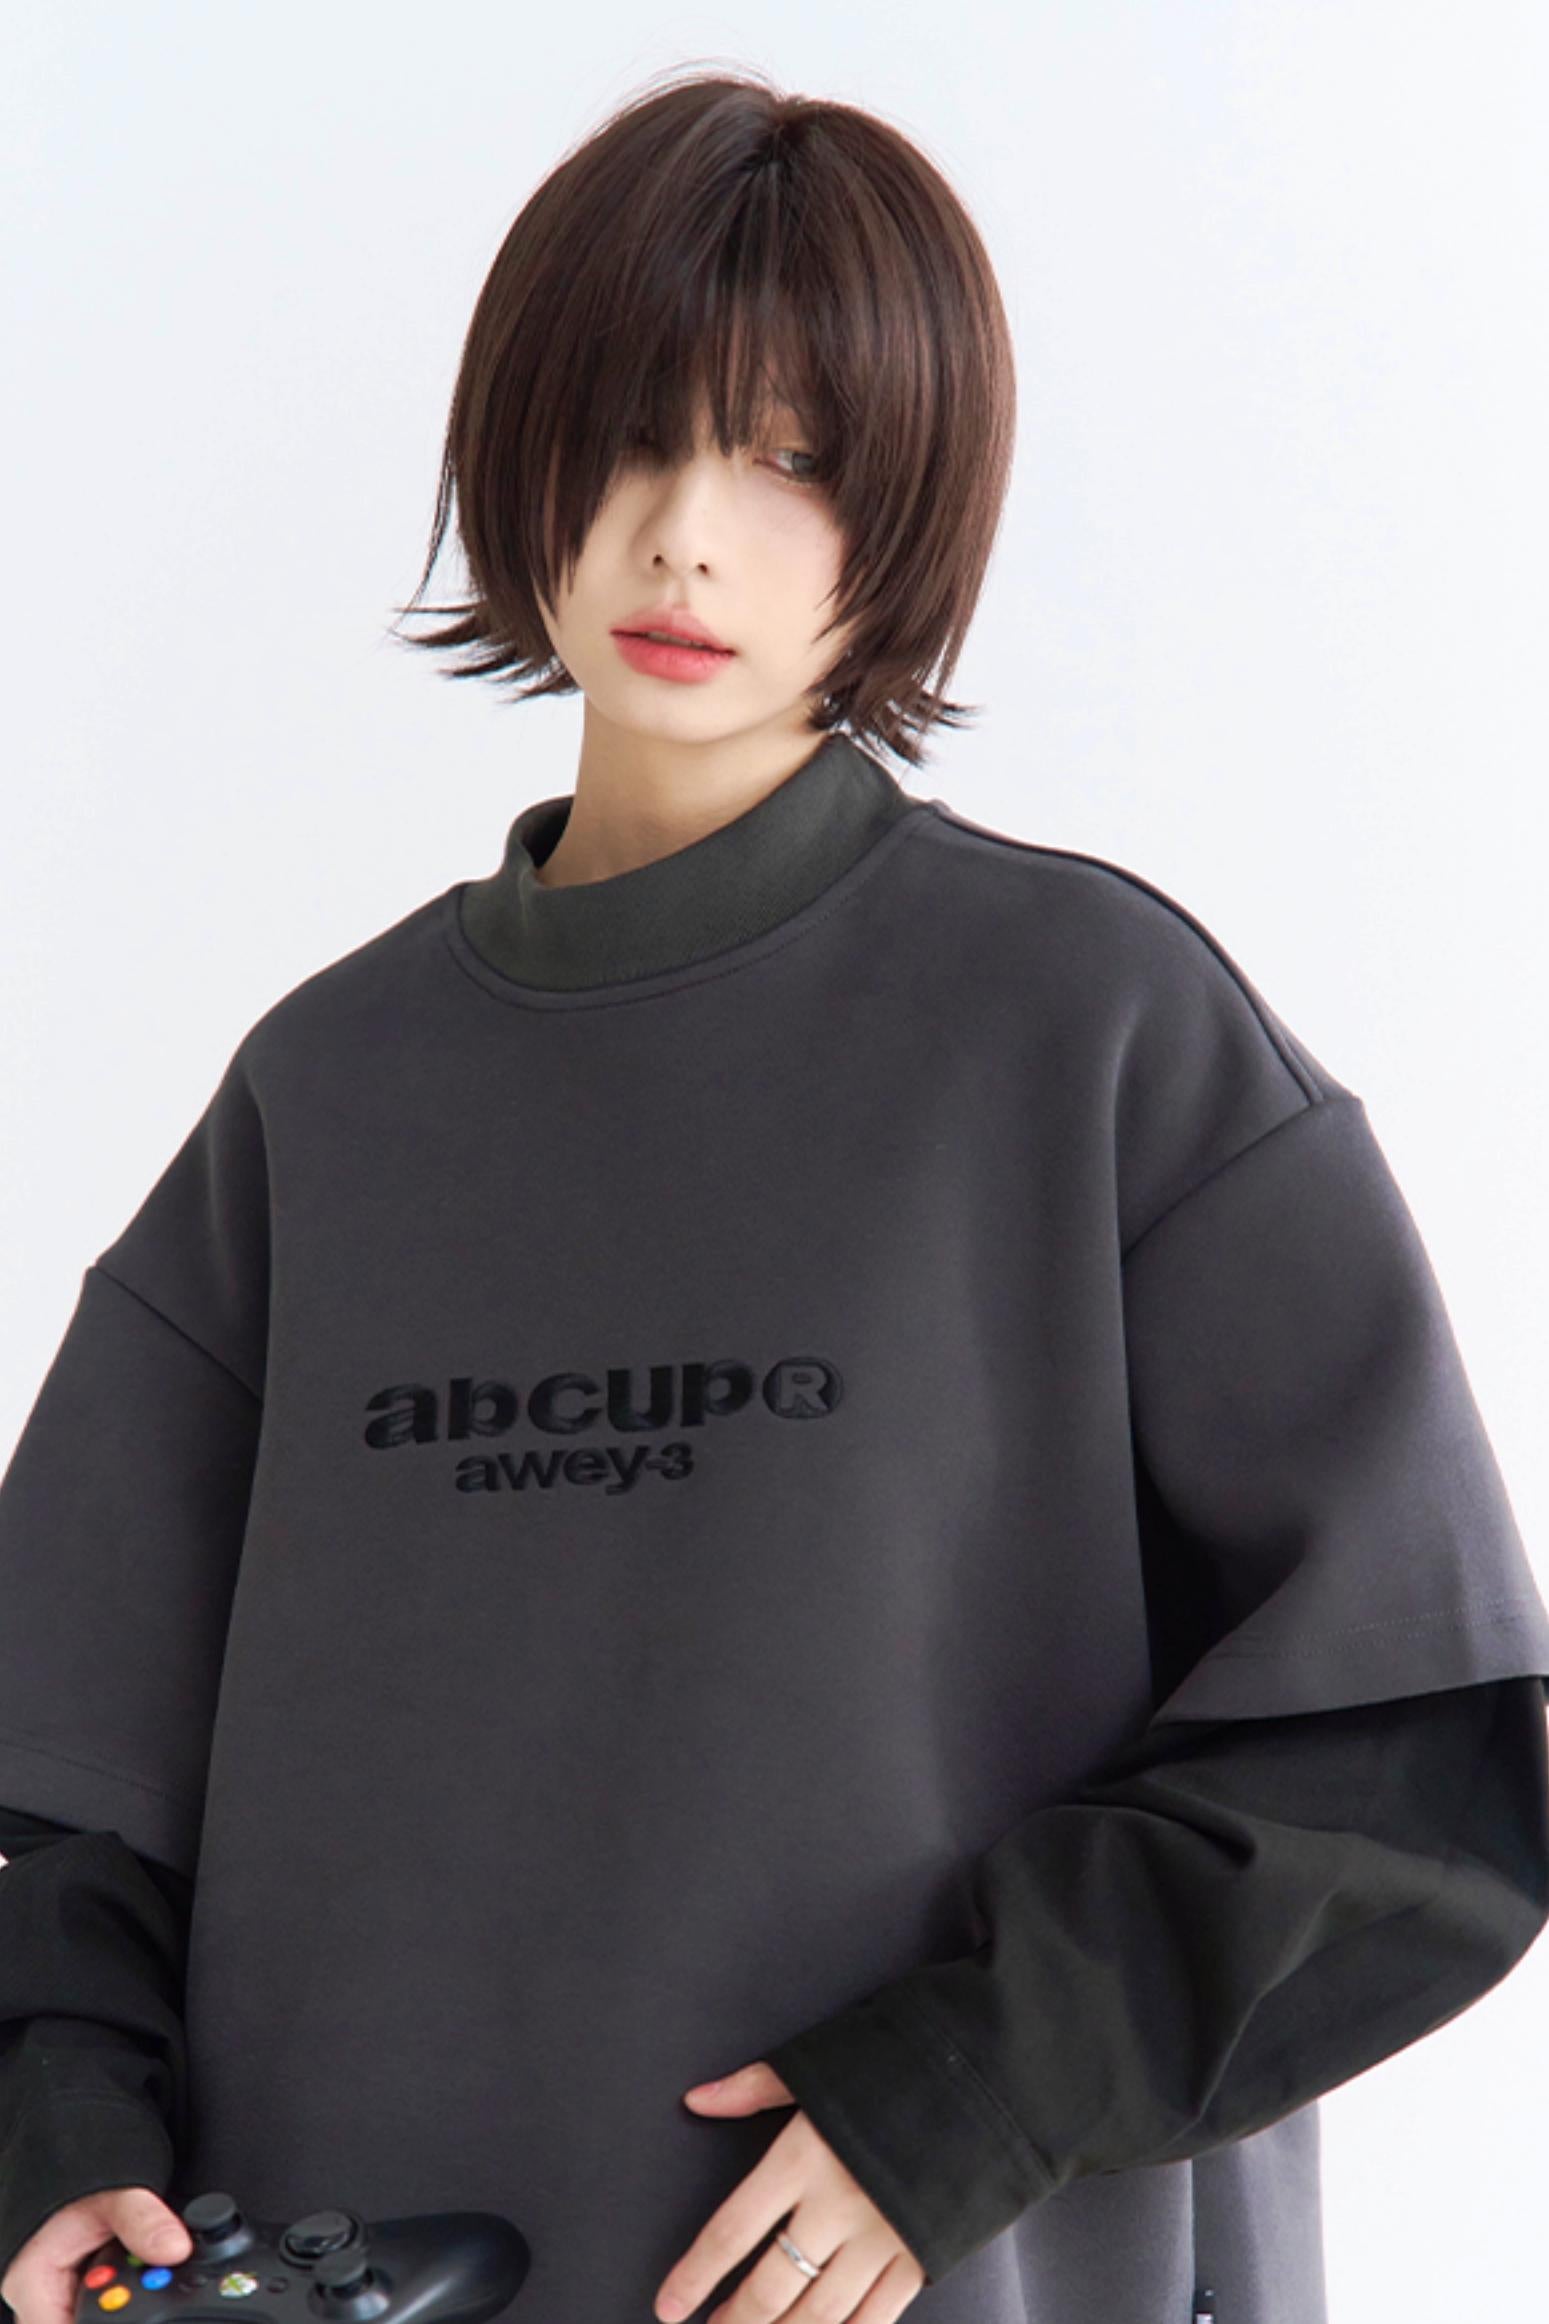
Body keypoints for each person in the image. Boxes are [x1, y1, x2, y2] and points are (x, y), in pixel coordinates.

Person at [2, 62, 1548, 2324]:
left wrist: (969, 2087)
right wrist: (60, 2140)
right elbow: (57, 1769)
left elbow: (1412, 1746)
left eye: (794, 460)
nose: (685, 539)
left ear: (909, 510)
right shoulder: (324, 1100)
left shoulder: (1094, 1034)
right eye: (630, 437)